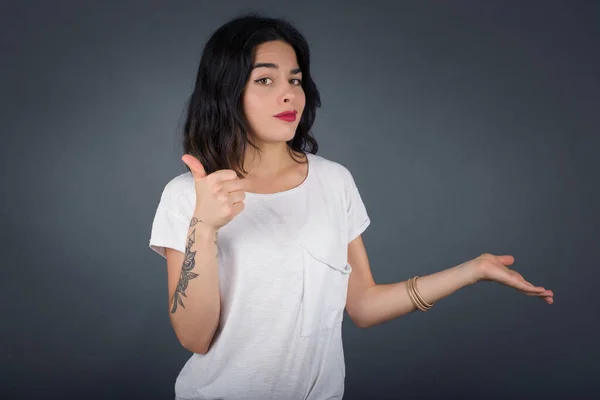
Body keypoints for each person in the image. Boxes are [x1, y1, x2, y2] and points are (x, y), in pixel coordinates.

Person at [148, 13, 554, 400]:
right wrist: (203, 226)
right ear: (226, 91)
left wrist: (472, 271)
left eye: (295, 79)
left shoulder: (333, 181)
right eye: (265, 80)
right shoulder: (189, 195)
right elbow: (195, 338)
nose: (288, 93)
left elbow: (363, 304)